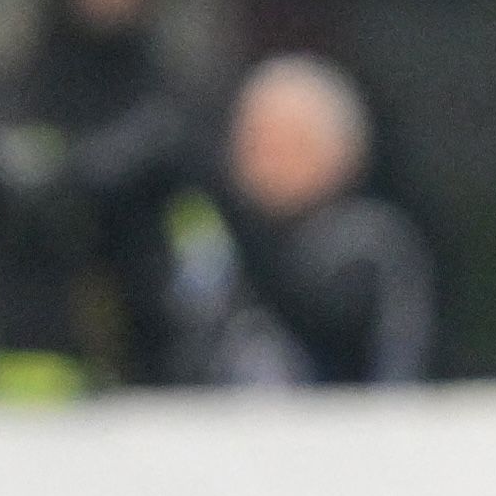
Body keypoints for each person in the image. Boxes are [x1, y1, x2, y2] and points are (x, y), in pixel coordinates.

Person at [0, 0, 202, 396]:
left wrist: (75, 177)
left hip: (155, 371)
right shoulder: (17, 80)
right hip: (33, 367)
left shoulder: (172, 89)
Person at [172, 54, 437, 386]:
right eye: (258, 143)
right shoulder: (212, 242)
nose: (271, 162)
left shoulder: (373, 249)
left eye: (292, 144)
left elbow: (398, 373)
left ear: (344, 152)